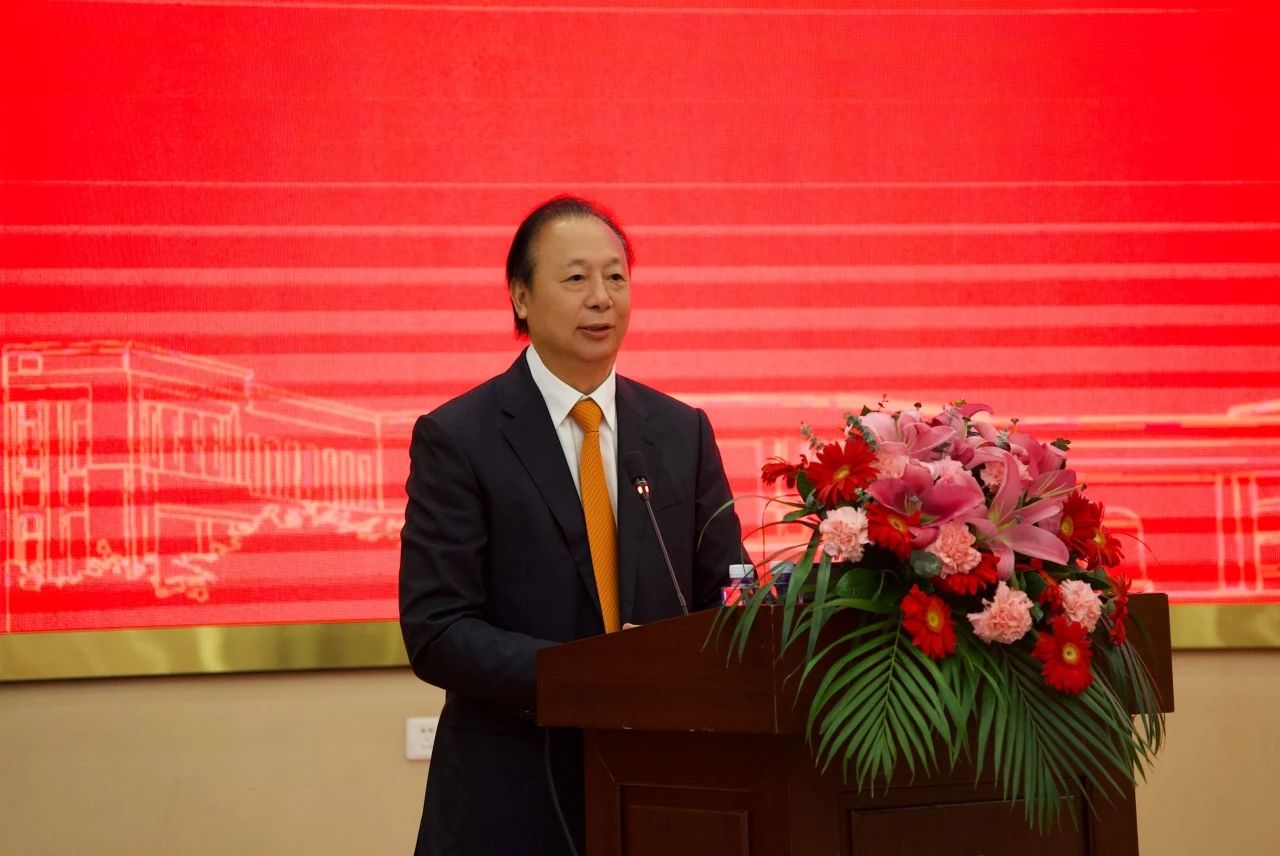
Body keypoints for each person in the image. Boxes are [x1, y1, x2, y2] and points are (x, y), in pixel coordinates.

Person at [399, 195, 744, 856]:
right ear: (521, 296)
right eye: (576, 277)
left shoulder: (682, 432)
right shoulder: (459, 438)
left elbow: (727, 593)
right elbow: (437, 630)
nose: (601, 298)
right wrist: (592, 676)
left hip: (665, 788)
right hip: (512, 793)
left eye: (615, 277)